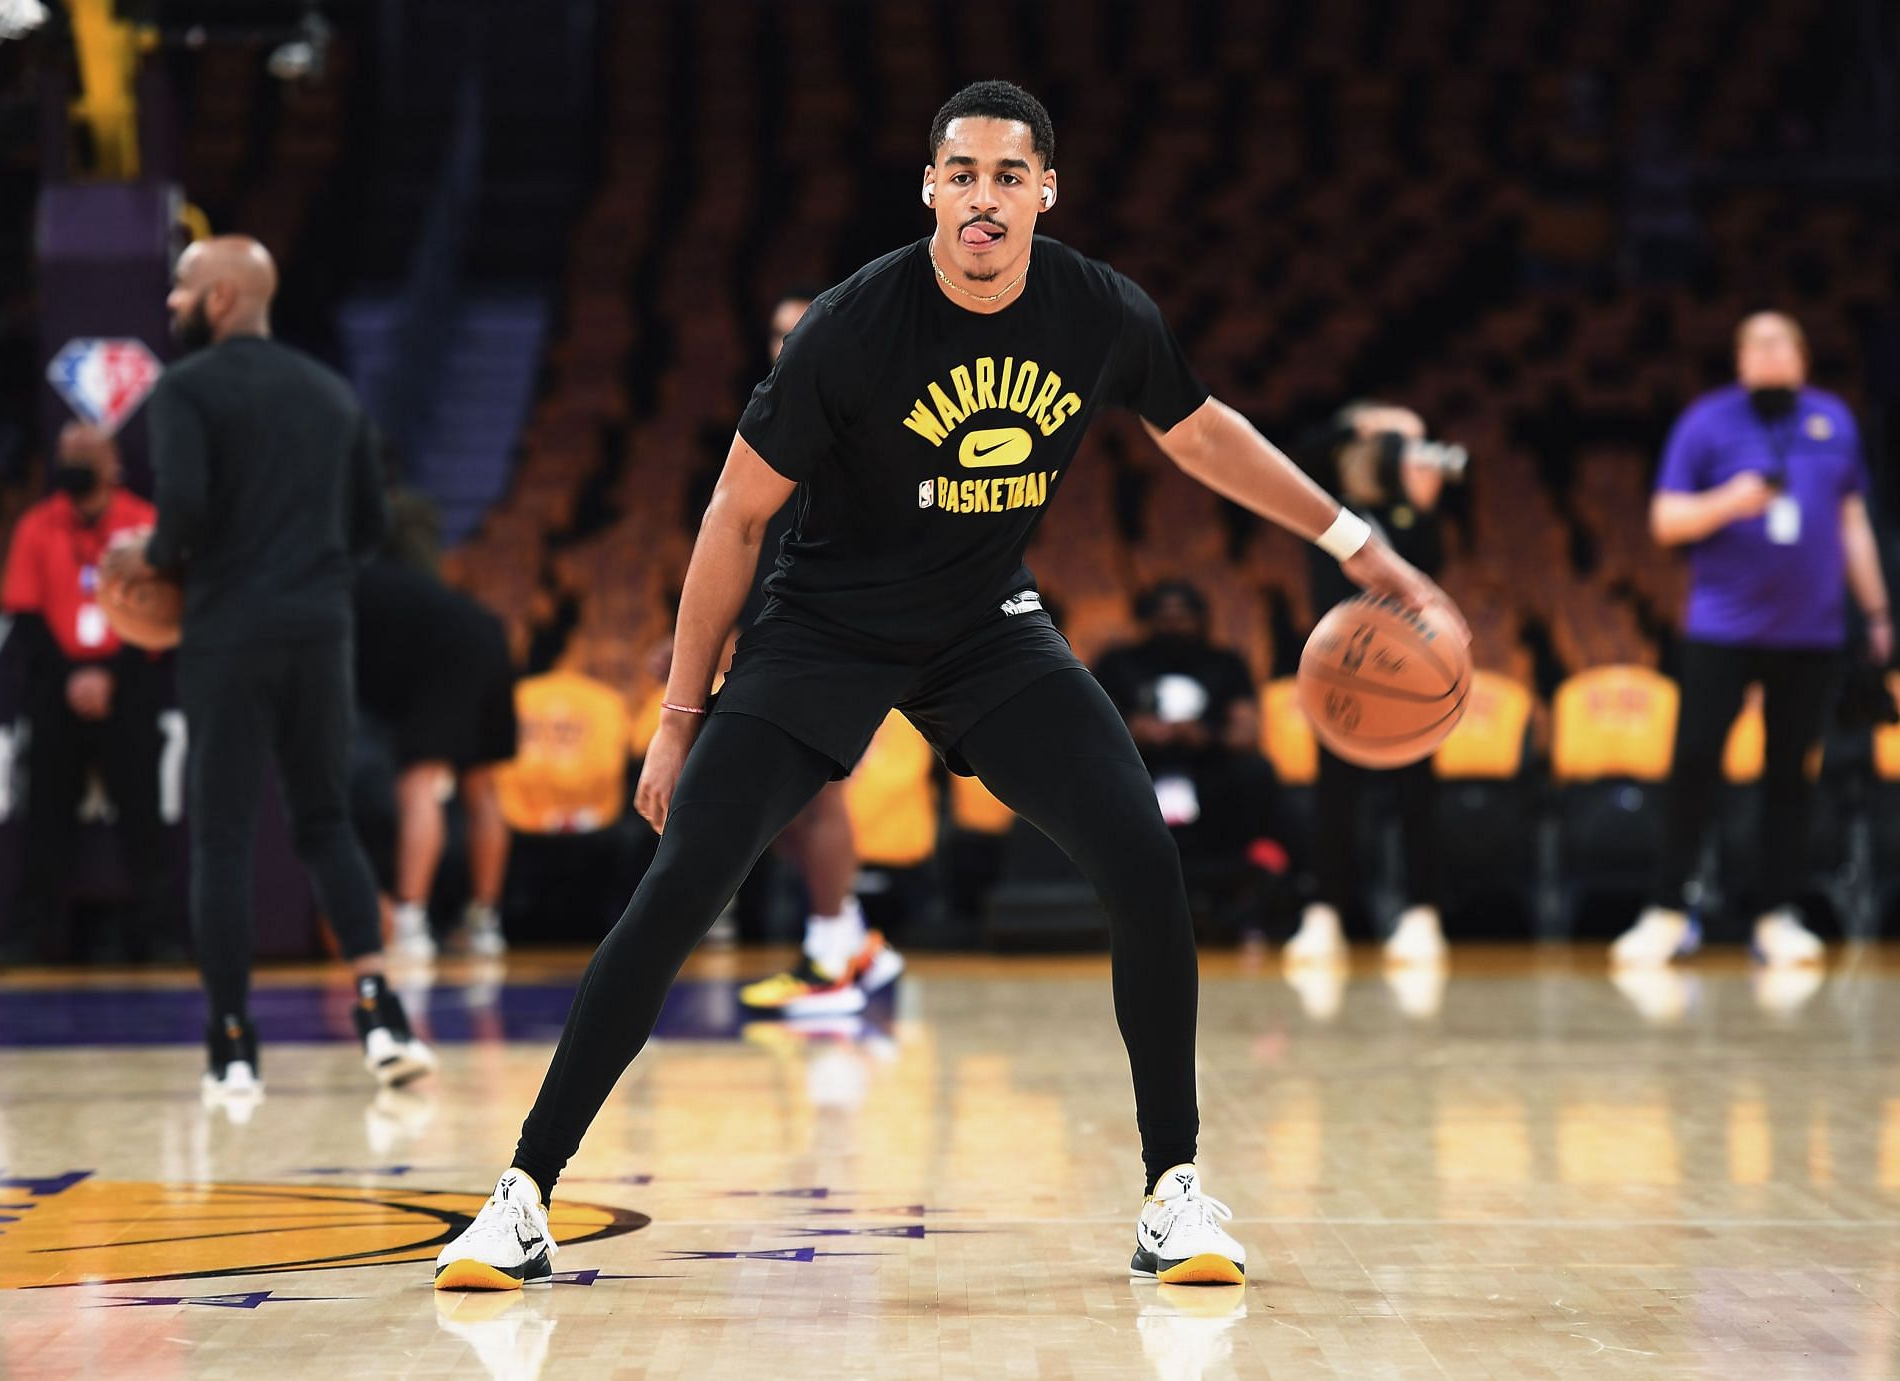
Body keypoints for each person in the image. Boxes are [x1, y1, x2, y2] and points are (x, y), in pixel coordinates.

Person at [435, 80, 1461, 1293]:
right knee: (680, 887)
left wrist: (1355, 539)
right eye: (962, 174)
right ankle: (523, 1195)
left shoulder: (1096, 309)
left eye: (1008, 176)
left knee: (1141, 850)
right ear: (929, 186)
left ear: (1045, 192)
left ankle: (1172, 1193)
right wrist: (678, 716)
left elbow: (1200, 432)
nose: (984, 198)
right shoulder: (854, 325)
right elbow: (735, 512)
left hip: (982, 625)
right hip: (821, 626)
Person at [102, 234, 433, 1097]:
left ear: (219, 298)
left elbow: (186, 511)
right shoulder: (331, 392)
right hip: (322, 630)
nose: (170, 305)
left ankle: (233, 1046)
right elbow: (369, 526)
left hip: (226, 630)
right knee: (326, 822)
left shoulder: (184, 390)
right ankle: (380, 1015)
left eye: (179, 290)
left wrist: (151, 554)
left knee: (223, 835)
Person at [1611, 311, 1890, 970]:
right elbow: (1664, 520)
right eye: (1756, 342)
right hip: (1722, 628)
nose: (1769, 352)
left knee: (1792, 775)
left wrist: (1877, 611)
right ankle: (1668, 908)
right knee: (1696, 763)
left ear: (1801, 356)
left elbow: (1852, 521)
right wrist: (1726, 503)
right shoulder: (1706, 421)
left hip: (1812, 631)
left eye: (1781, 341)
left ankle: (1776, 914)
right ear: (1739, 359)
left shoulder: (1834, 420)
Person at [736, 286, 905, 1018]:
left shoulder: (861, 424)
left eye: (798, 332)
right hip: (781, 645)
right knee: (779, 814)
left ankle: (834, 955)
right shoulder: (771, 426)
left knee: (817, 797)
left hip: (843, 645)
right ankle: (856, 942)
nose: (786, 346)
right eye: (776, 334)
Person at [0, 422, 177, 963]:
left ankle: (160, 937)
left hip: (130, 683)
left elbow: (166, 610)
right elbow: (24, 614)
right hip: (59, 689)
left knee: (144, 818)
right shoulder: (36, 525)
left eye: (86, 454)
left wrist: (110, 676)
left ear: (113, 464)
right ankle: (30, 937)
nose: (73, 461)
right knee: (44, 820)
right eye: (66, 452)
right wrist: (74, 678)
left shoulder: (145, 524)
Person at [1284, 401, 1451, 968]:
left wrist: (1422, 507)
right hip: (1340, 667)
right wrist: (1361, 427)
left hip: (1409, 669)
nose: (1405, 455)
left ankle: (1423, 911)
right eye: (1395, 446)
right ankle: (1325, 912)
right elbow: (1302, 447)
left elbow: (1432, 569)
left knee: (1417, 792)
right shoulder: (1329, 503)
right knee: (1336, 794)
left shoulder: (1406, 511)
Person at [354, 553, 518, 961]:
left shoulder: (340, 586)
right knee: (479, 785)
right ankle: (484, 924)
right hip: (491, 637)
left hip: (446, 653)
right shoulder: (393, 579)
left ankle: (409, 924)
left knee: (419, 781)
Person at [1092, 579, 1283, 928]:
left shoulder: (1225, 663)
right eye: (1163, 616)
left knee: (1258, 770)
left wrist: (1203, 734)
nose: (1173, 624)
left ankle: (1256, 871)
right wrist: (1135, 730)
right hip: (1140, 769)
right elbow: (1091, 727)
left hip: (1209, 770)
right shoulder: (1117, 663)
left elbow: (1246, 731)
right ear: (1146, 619)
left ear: (1201, 619)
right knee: (1095, 777)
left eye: (1182, 616)